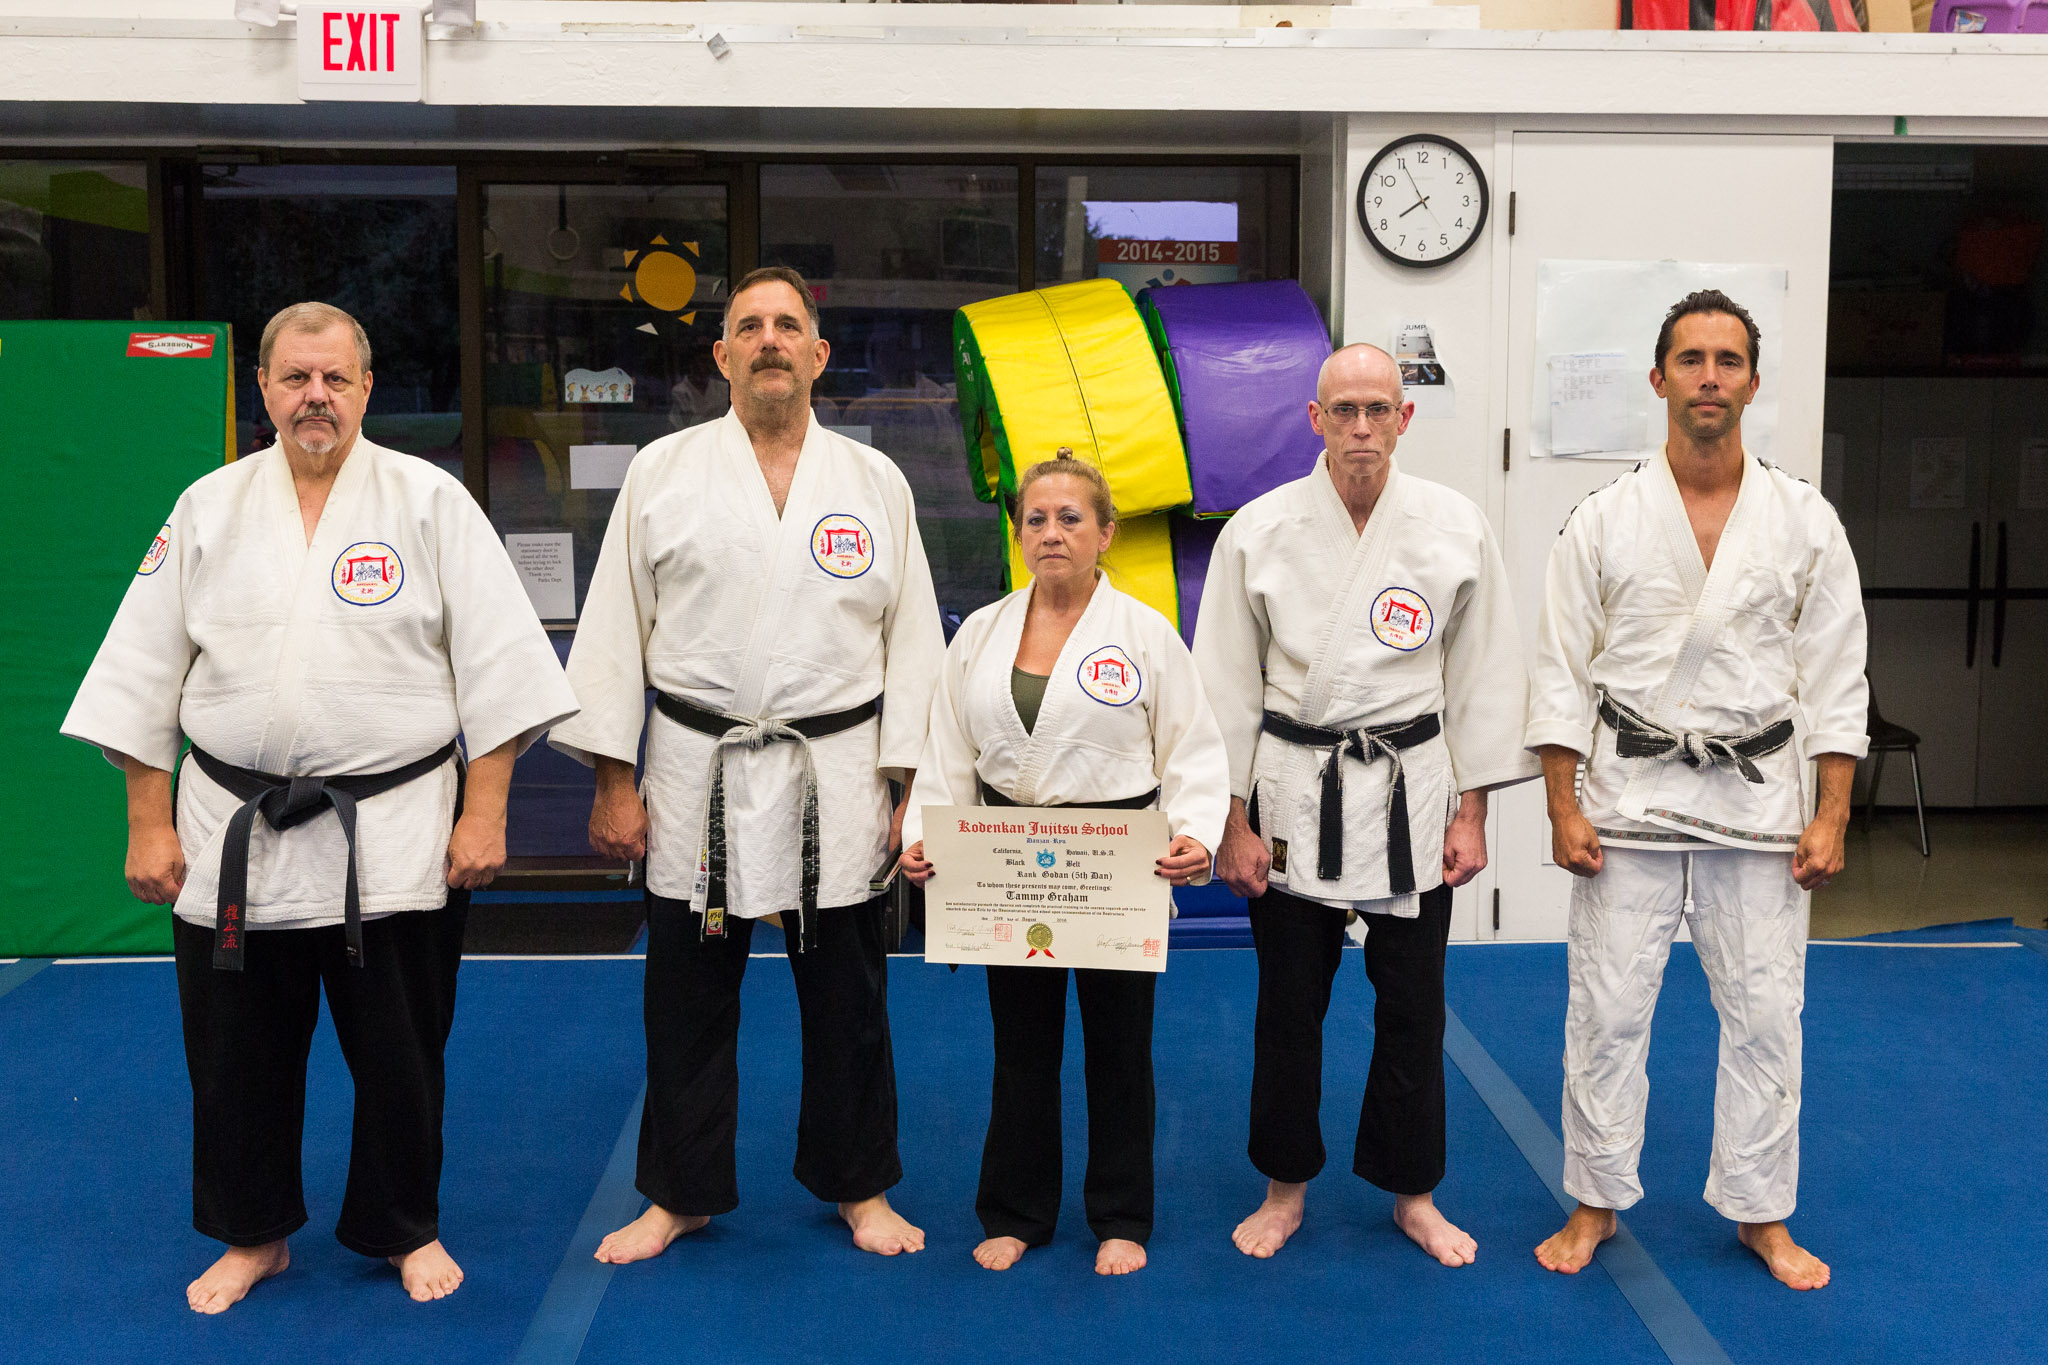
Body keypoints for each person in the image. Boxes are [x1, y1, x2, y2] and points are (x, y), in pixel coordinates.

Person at [61, 302, 578, 1314]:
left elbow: (502, 668)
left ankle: (403, 1225)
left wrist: (485, 813)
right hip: (233, 831)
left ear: (367, 388)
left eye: (336, 378)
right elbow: (140, 670)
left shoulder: (429, 501)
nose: (316, 397)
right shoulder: (207, 507)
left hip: (393, 831)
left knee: (400, 1052)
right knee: (235, 1052)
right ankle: (253, 1234)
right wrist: (147, 820)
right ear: (262, 387)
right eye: (295, 378)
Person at [551, 266, 945, 1262]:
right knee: (687, 998)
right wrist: (613, 780)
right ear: (721, 356)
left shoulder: (874, 483)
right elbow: (614, 630)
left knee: (849, 1000)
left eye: (788, 326)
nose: (770, 340)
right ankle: (679, 1193)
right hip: (699, 773)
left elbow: (912, 646)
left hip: (838, 774)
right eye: (750, 327)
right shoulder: (664, 471)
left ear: (818, 355)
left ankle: (860, 1186)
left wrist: (914, 791)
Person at [1526, 291, 1864, 1292]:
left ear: (1752, 383)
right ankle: (1594, 1198)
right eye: (1690, 359)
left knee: (1765, 1015)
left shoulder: (1803, 520)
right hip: (1627, 796)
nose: (1708, 376)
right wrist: (1560, 804)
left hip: (1757, 804)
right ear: (1658, 378)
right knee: (1606, 1007)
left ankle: (1761, 1211)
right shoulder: (1601, 519)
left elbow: (1835, 672)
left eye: (1726, 360)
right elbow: (1558, 669)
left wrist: (1832, 811)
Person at [1193, 343, 1536, 1267]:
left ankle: (1412, 1191)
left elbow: (1484, 674)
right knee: (1288, 1006)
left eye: (1377, 409)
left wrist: (1473, 811)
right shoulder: (1260, 529)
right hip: (1292, 791)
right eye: (1342, 410)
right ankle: (1284, 1186)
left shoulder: (1453, 526)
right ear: (1315, 419)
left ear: (1403, 418)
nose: (1360, 427)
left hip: (1410, 793)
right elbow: (1222, 680)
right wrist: (1231, 821)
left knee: (1414, 1007)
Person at [899, 454, 1229, 1277]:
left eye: (1071, 518)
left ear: (1106, 532)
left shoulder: (1146, 633)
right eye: (1036, 519)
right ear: (1018, 533)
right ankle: (1016, 1211)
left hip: (1116, 861)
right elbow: (947, 747)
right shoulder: (980, 633)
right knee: (1021, 1046)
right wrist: (926, 831)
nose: (1051, 532)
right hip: (1005, 858)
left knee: (1120, 1046)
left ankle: (1120, 1215)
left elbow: (1191, 743)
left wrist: (1196, 830)